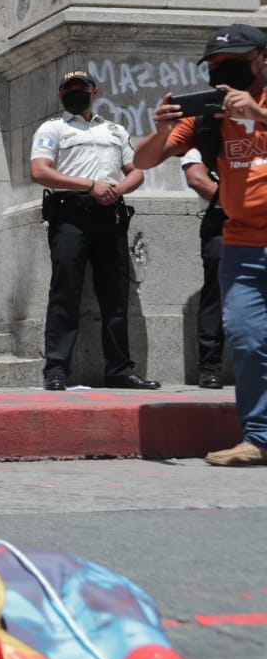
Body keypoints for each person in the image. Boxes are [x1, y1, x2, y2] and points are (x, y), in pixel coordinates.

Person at [135, 23, 267, 465]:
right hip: (242, 246)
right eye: (213, 67)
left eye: (230, 64)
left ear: (262, 58)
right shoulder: (208, 112)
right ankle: (260, 440)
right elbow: (143, 160)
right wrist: (158, 130)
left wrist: (258, 113)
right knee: (248, 341)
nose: (220, 74)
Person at [29, 69, 161, 392]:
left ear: (95, 92)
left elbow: (136, 171)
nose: (76, 93)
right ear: (61, 95)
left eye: (82, 88)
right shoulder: (53, 128)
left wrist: (116, 189)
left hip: (110, 215)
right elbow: (40, 172)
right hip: (71, 216)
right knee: (65, 293)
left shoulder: (114, 130)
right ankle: (57, 369)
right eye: (70, 89)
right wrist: (91, 185)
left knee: (115, 296)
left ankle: (119, 369)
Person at [178, 145, 226, 389]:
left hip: (258, 219)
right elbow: (197, 179)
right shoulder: (200, 150)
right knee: (215, 294)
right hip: (221, 221)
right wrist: (241, 205)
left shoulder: (255, 142)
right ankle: (210, 367)